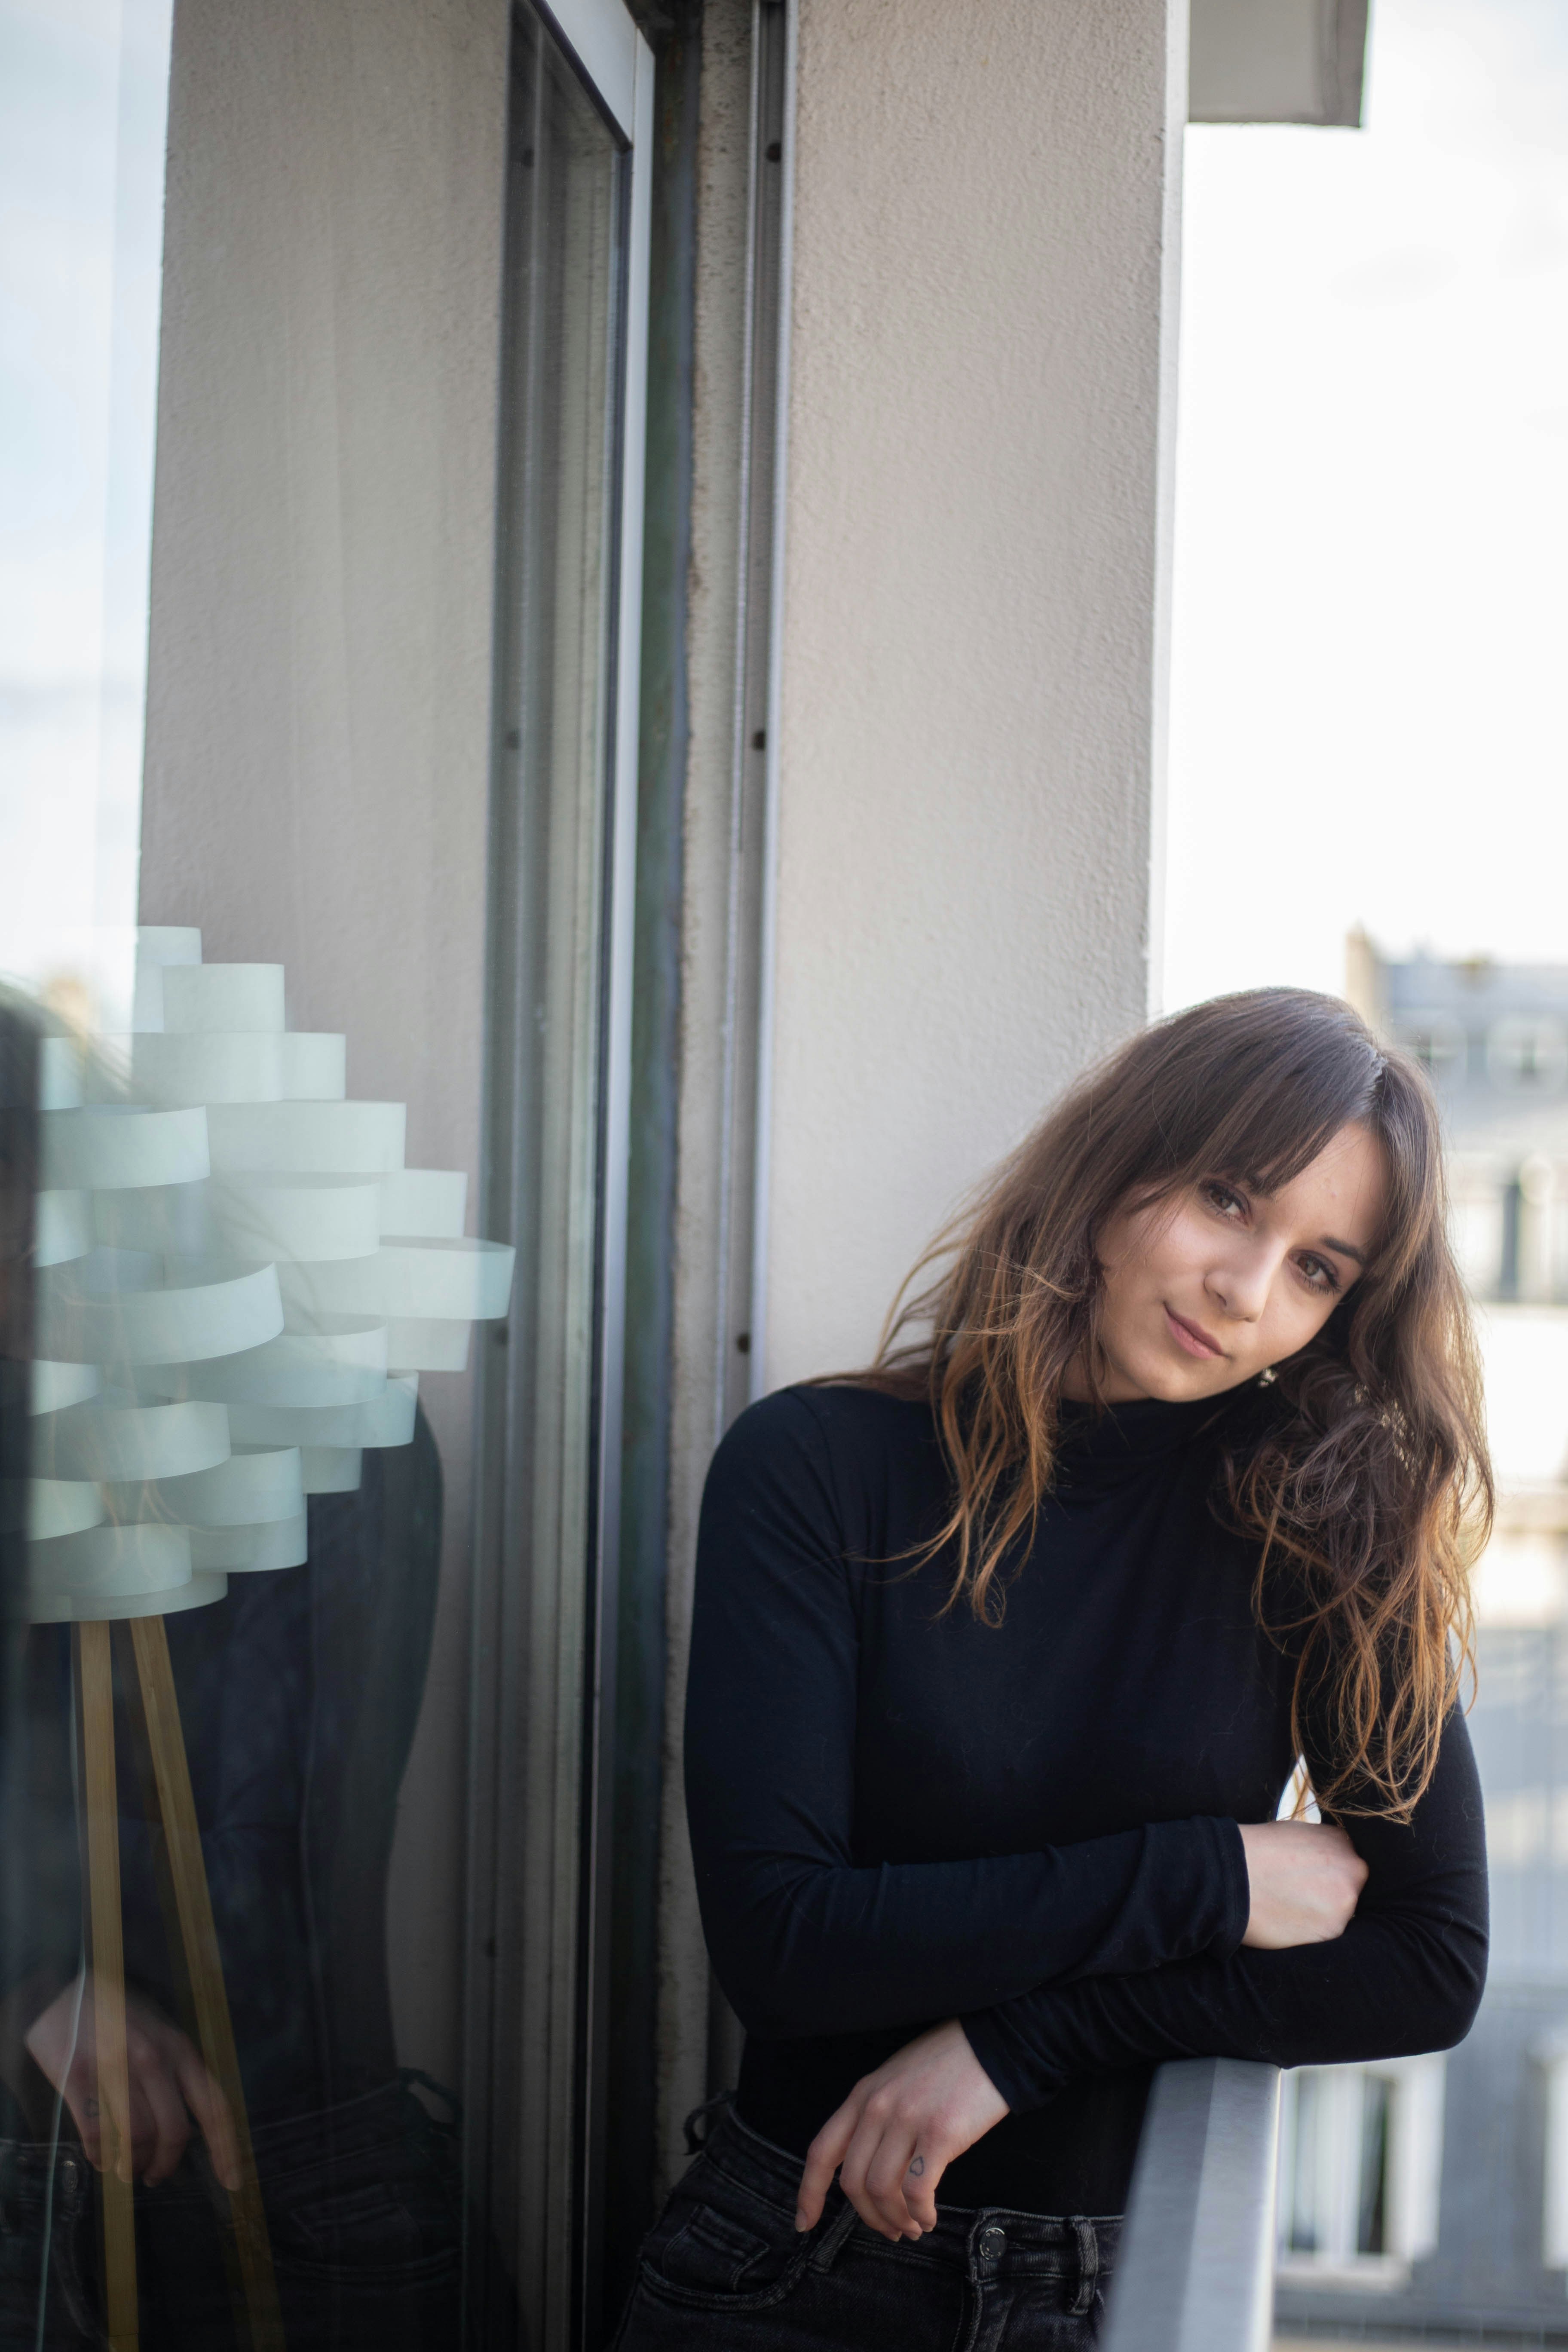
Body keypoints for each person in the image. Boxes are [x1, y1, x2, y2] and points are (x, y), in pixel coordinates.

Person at [613, 988, 1491, 2350]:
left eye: (1321, 1268)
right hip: (792, 2270)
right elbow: (785, 1950)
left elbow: (1428, 1964)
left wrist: (1018, 2048)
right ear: (1116, 1166)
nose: (1247, 1292)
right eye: (1229, 1199)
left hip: (1121, 2291)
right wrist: (1215, 1877)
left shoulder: (1320, 1527)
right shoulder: (817, 1468)